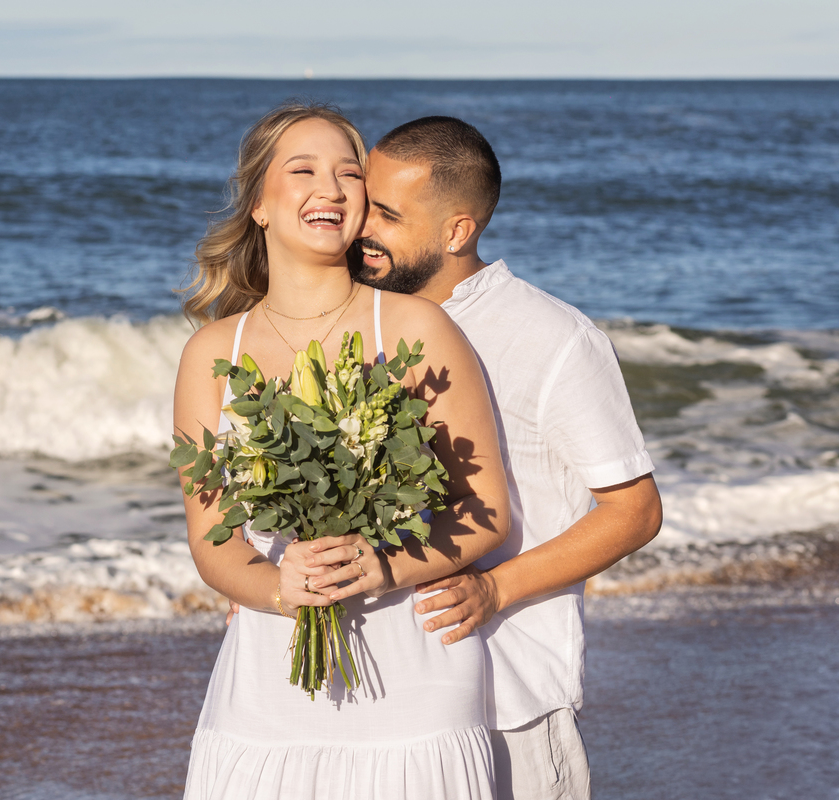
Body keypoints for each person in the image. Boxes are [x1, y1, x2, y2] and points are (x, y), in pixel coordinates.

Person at [304, 117, 663, 799]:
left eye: (386, 213)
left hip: (510, 699)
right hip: (386, 698)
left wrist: (496, 588)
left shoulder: (554, 338)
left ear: (457, 231)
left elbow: (636, 510)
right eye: (364, 202)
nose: (361, 227)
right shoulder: (361, 323)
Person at [174, 103, 511, 799]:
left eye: (349, 174)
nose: (330, 188)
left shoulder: (419, 328)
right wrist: (277, 588)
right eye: (303, 171)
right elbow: (213, 541)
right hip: (264, 696)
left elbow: (483, 513)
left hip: (413, 687)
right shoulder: (213, 352)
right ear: (261, 203)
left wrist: (383, 567)